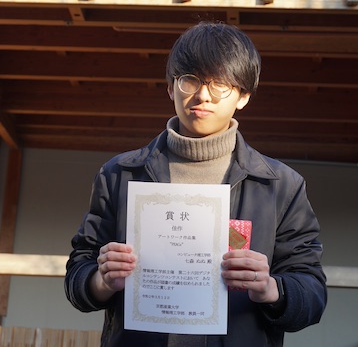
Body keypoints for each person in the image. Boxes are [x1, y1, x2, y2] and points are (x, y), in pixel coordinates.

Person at [65, 21, 327, 346]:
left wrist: (271, 288)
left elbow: (312, 294)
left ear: (243, 96)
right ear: (171, 88)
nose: (203, 95)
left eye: (220, 84)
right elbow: (78, 273)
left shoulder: (280, 186)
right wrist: (101, 281)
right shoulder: (120, 174)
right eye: (190, 80)